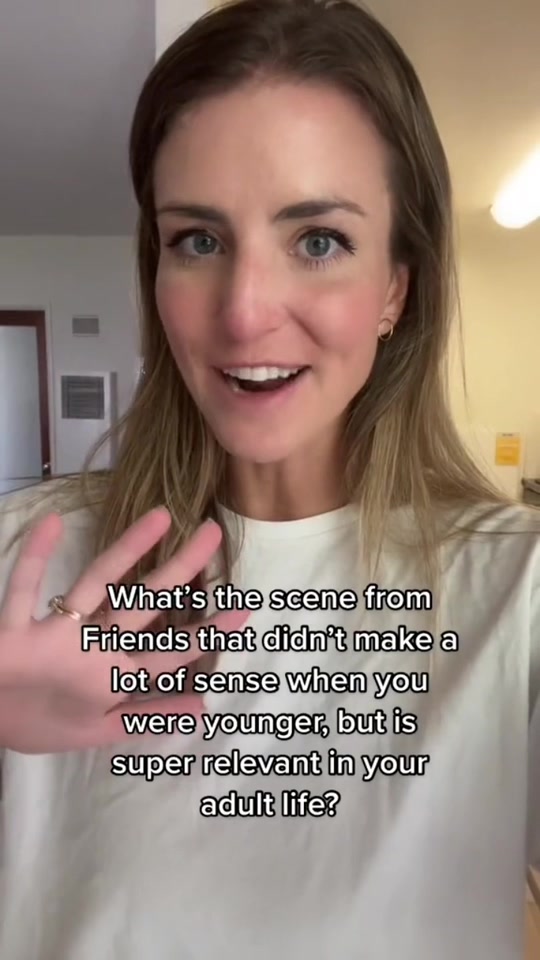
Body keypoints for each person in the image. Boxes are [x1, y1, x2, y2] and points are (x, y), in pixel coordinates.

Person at [0, 0, 538, 956]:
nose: (244, 313)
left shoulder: (518, 592)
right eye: (198, 241)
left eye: (318, 239)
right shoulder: (25, 558)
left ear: (396, 287)